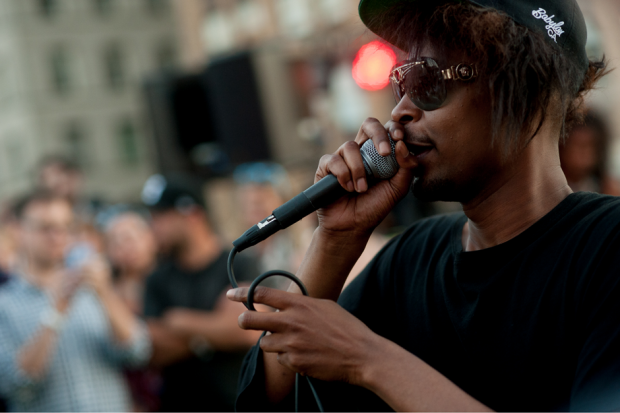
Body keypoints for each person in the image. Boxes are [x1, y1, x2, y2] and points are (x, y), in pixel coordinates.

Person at [227, 0, 619, 411]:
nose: (400, 111)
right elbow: (267, 402)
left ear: (528, 94)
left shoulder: (605, 250)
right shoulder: (410, 259)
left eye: (427, 83)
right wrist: (336, 240)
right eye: (402, 83)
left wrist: (369, 359)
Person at [0, 191, 150, 412]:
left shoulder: (93, 291)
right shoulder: (5, 305)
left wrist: (105, 293)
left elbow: (138, 351)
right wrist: (57, 310)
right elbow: (17, 384)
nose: (57, 236)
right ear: (18, 230)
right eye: (45, 228)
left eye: (65, 227)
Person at [140, 174, 261, 412]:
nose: (153, 227)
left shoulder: (239, 263)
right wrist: (215, 330)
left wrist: (179, 322)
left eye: (160, 217)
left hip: (237, 402)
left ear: (191, 215)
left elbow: (249, 329)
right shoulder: (157, 279)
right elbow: (150, 348)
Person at [560, 110, 620, 196]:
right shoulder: (552, 189)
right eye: (577, 145)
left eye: (590, 146)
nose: (584, 153)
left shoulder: (608, 189)